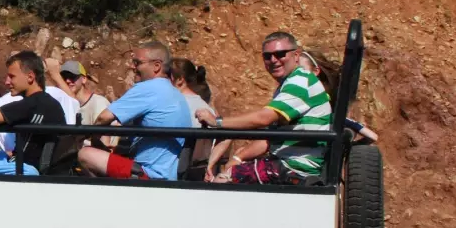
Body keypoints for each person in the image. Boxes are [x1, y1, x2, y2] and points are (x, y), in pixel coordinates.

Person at [196, 31, 331, 185]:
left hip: (293, 167)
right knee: (229, 173)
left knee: (221, 180)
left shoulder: (300, 82)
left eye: (280, 54)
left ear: (296, 55)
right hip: (284, 163)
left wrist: (216, 121)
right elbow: (268, 136)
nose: (273, 60)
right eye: (267, 56)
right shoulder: (290, 83)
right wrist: (238, 157)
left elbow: (263, 118)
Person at [77, 41, 192, 180]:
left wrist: (89, 137)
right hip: (168, 174)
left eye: (137, 62)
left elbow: (104, 118)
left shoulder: (149, 87)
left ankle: (106, 198)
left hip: (150, 175)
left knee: (85, 154)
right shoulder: (175, 93)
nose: (132, 66)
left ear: (156, 66)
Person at [0, 57, 79, 157]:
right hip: (22, 159)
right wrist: (55, 74)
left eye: (12, 76)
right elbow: (73, 101)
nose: (68, 81)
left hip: (22, 162)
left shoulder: (3, 102)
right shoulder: (52, 95)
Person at [171, 58, 216, 166]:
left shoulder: (172, 104)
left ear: (180, 80)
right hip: (194, 168)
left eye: (166, 77)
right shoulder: (206, 108)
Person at [46, 59, 110, 126]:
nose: (68, 81)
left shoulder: (98, 103)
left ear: (84, 79)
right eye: (64, 78)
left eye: (72, 77)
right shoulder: (63, 104)